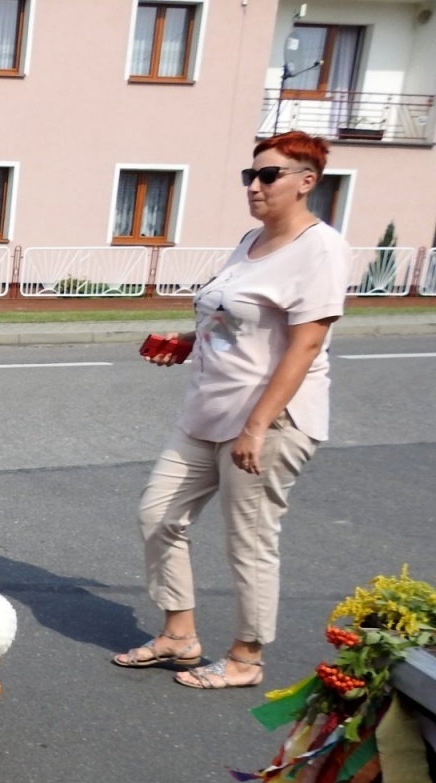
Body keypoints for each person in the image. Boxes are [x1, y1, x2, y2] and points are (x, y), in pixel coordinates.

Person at [112, 130, 353, 690]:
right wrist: (189, 341)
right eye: (251, 175)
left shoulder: (321, 250)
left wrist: (258, 424)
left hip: (267, 423)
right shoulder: (250, 241)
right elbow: (237, 322)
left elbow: (305, 345)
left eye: (269, 175)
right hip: (207, 412)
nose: (256, 185)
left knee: (248, 543)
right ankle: (178, 635)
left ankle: (246, 659)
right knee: (158, 515)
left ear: (305, 182)